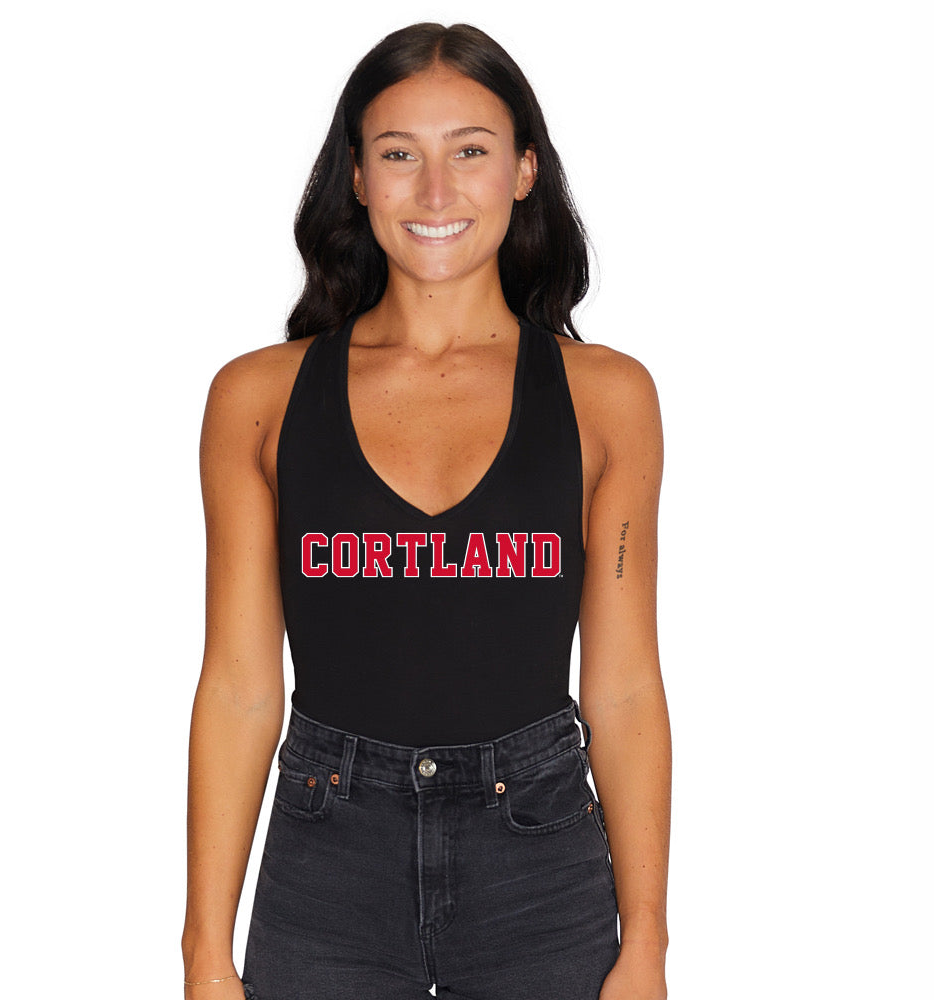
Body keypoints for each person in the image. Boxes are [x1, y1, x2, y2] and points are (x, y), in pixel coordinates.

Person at [182, 21, 670, 1000]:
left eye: (471, 152)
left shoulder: (608, 398)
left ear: (525, 171)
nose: (436, 192)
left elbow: (621, 687)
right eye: (400, 154)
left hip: (540, 863)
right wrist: (203, 953)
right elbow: (239, 687)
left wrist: (647, 942)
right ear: (357, 177)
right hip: (326, 866)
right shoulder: (258, 399)